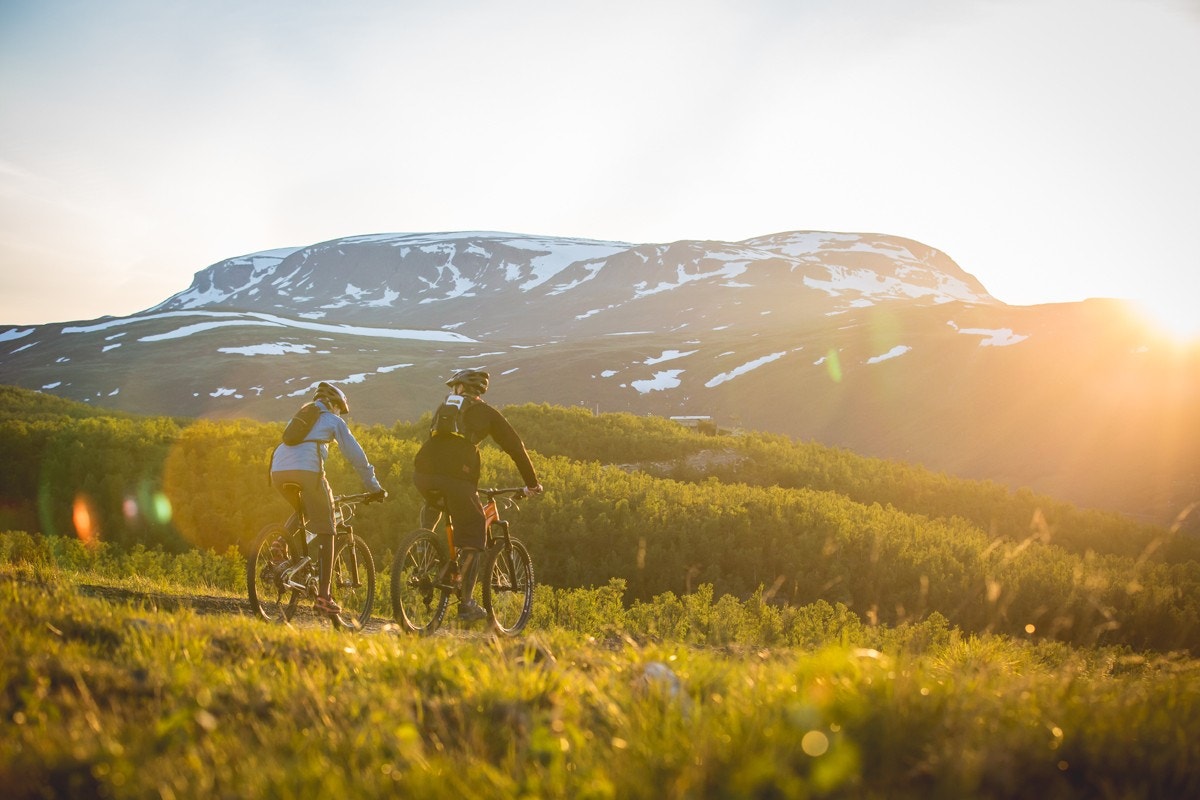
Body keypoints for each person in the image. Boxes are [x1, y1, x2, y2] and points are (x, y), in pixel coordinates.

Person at [412, 368, 542, 622]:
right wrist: (532, 483)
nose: (453, 392)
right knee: (475, 538)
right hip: (457, 479)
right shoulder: (486, 412)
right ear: (479, 391)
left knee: (435, 501)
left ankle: (424, 554)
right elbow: (516, 447)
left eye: (454, 388)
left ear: (459, 388)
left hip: (423, 474)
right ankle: (467, 604)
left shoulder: (443, 408)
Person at [270, 381, 386, 615]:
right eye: (339, 409)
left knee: (303, 509)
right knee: (327, 530)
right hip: (308, 473)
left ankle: (279, 544)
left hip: (277, 472)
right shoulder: (333, 420)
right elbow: (356, 456)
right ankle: (324, 597)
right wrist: (374, 487)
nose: (339, 413)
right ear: (333, 405)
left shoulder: (299, 418)